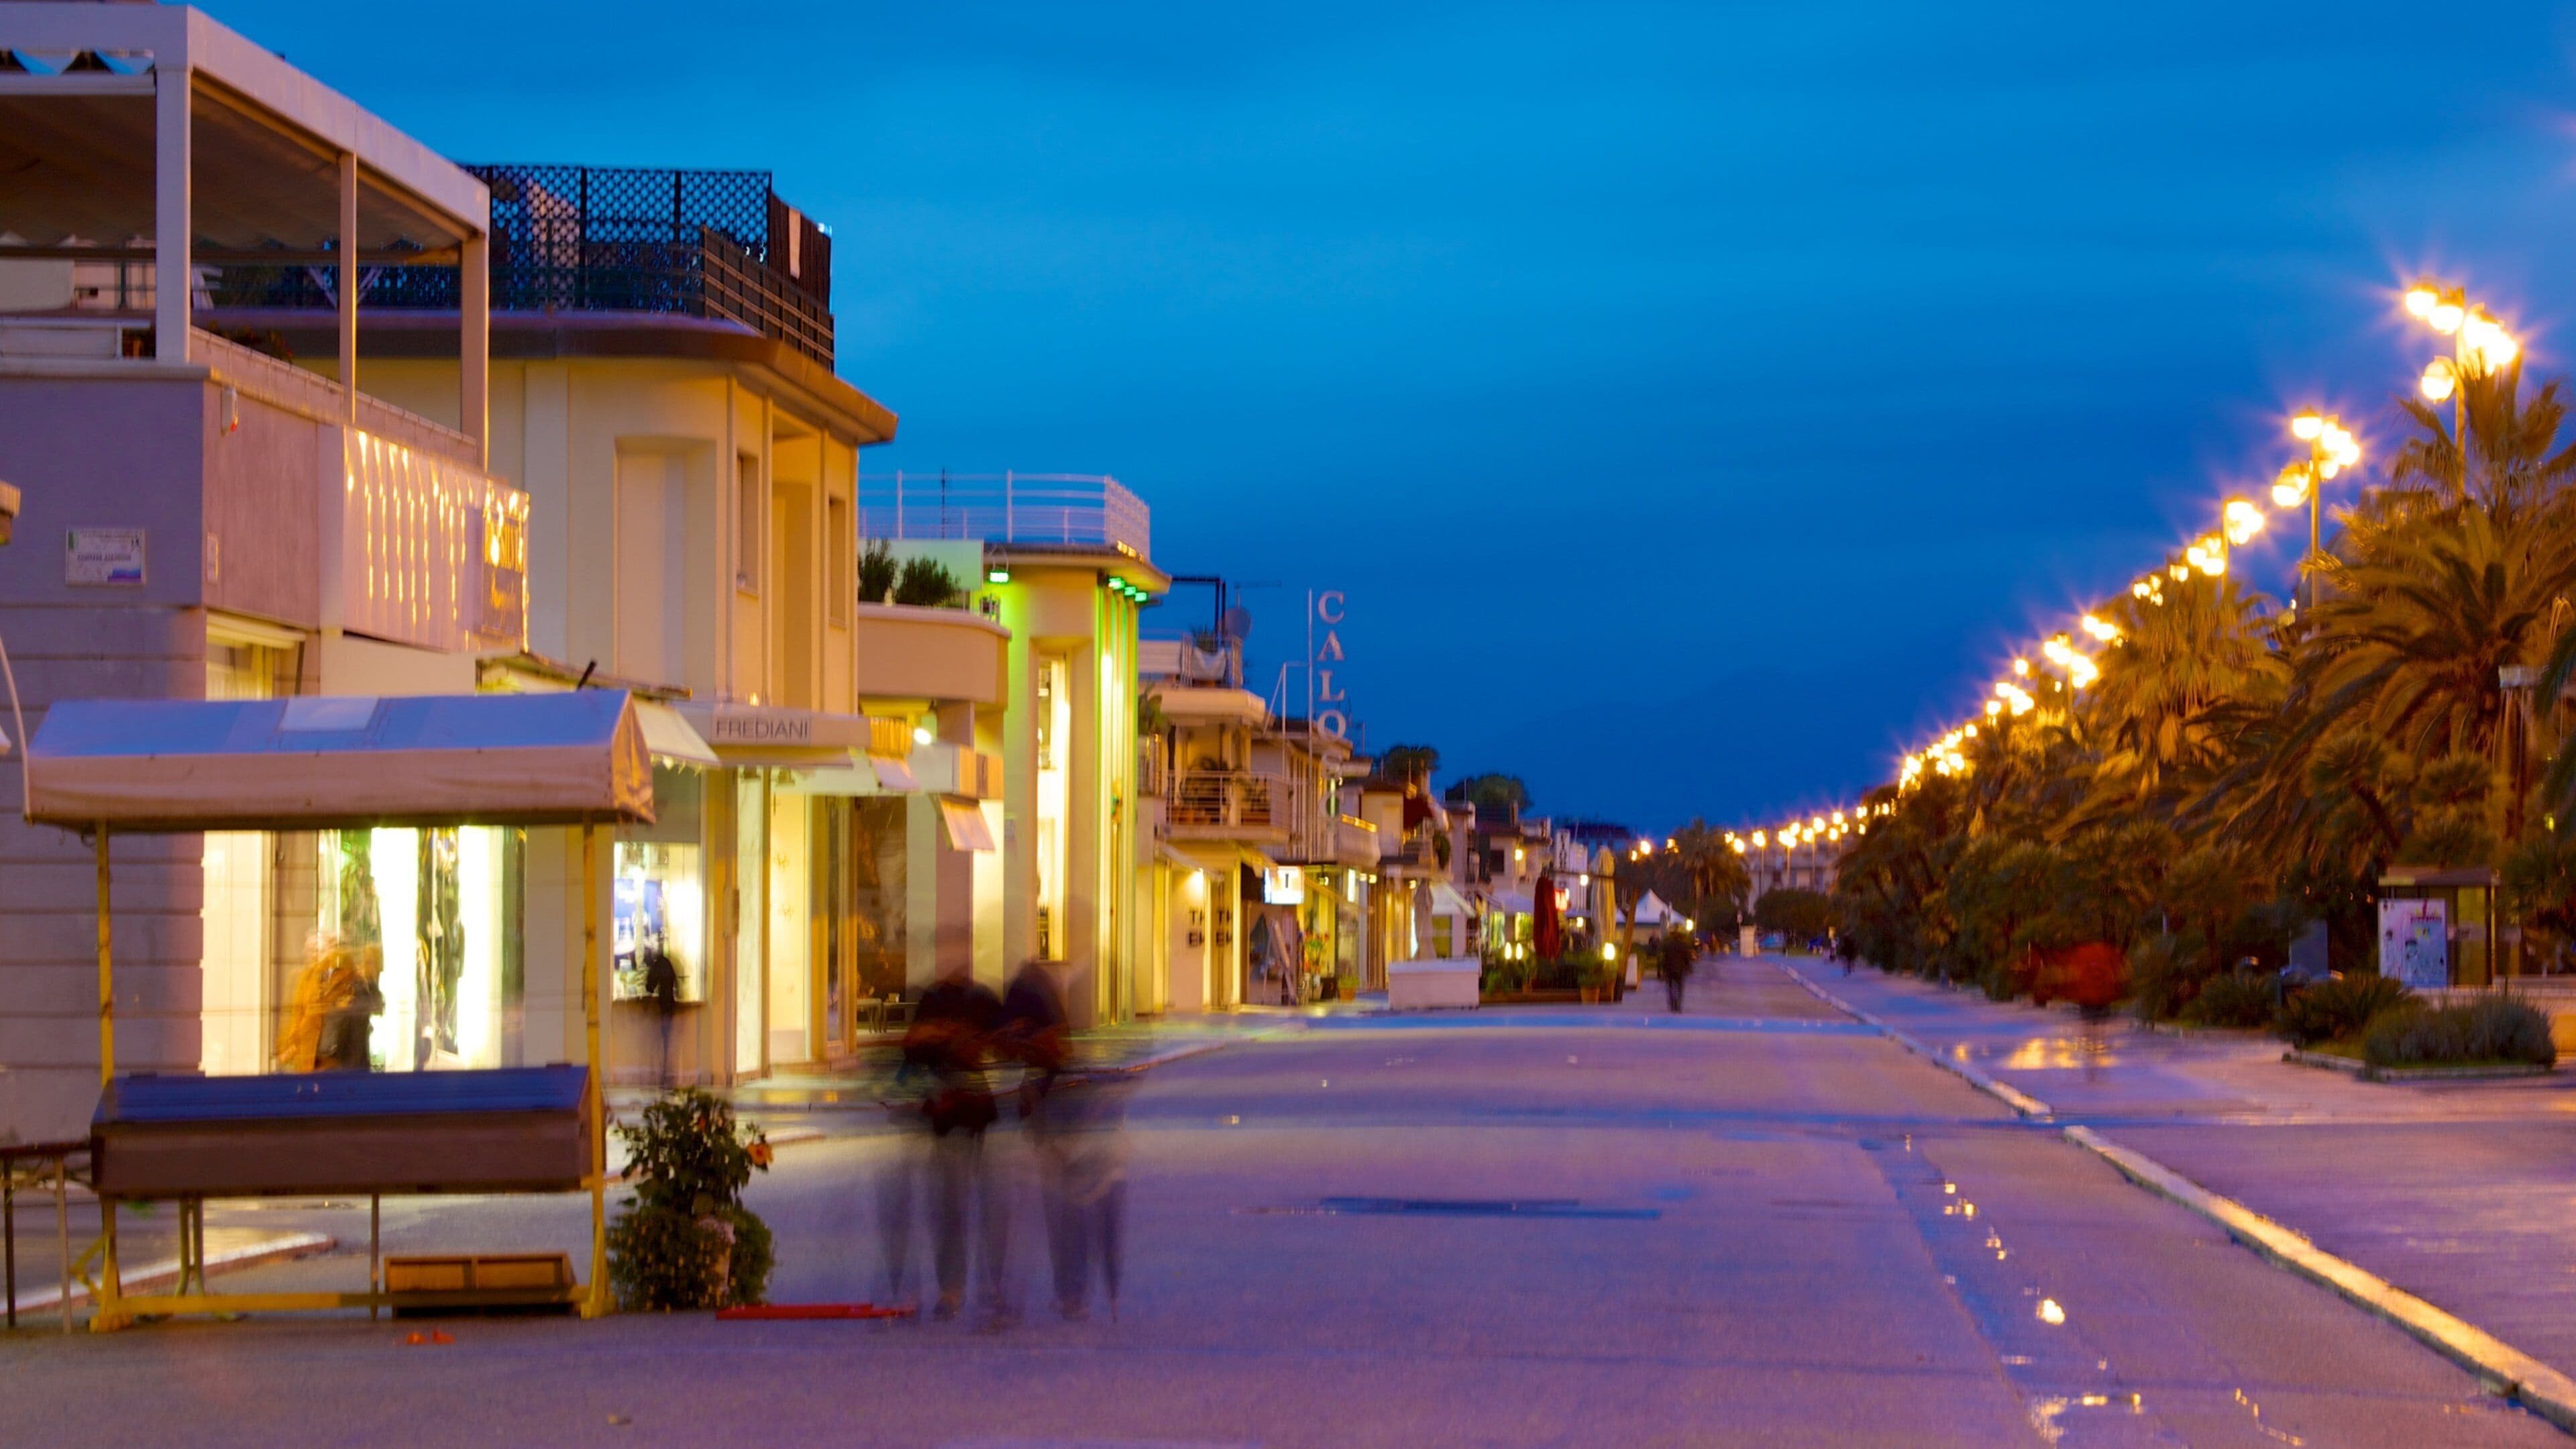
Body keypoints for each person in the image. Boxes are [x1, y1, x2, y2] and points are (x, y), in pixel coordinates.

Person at [900, 958, 1006, 1324]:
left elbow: (1001, 1041)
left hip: (972, 1112)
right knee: (952, 1206)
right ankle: (956, 1288)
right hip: (950, 1116)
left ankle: (978, 1287)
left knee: (967, 1207)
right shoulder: (936, 999)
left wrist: (956, 1039)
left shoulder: (980, 999)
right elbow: (911, 1048)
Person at [639, 931, 682, 1086]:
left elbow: (650, 986)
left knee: (662, 1041)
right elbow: (676, 985)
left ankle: (664, 1074)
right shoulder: (667, 963)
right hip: (670, 1005)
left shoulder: (658, 965)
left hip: (663, 1006)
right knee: (667, 1040)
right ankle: (667, 1073)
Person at [1658, 927, 1697, 1014]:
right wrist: (1689, 968)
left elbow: (1664, 959)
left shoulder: (1668, 945)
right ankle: (1678, 1005)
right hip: (1680, 970)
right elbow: (1687, 959)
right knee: (1680, 988)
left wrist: (1662, 971)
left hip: (1670, 969)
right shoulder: (1684, 946)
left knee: (1671, 987)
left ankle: (1672, 1004)